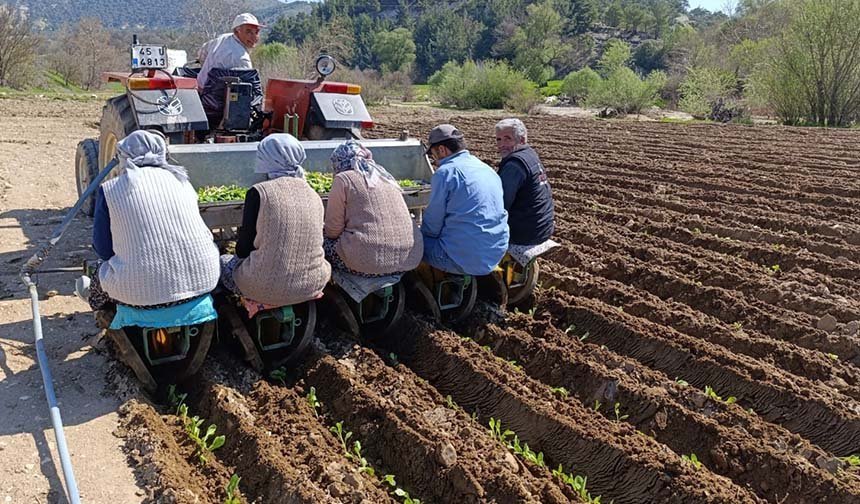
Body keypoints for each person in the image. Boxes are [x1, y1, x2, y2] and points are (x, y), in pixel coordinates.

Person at [84, 130, 220, 329]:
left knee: (98, 277)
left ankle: (107, 317)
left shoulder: (110, 188)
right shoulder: (183, 181)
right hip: (204, 282)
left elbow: (103, 250)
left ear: (123, 156)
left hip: (140, 295)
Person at [219, 134, 331, 309]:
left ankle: (240, 308)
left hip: (261, 286)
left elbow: (243, 249)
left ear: (267, 159)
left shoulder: (259, 192)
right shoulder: (313, 193)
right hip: (312, 284)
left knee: (223, 262)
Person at [323, 140, 423, 277]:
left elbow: (333, 230)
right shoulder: (385, 176)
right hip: (410, 259)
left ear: (338, 161)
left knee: (322, 243)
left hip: (368, 263)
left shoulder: (344, 179)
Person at [421, 124, 509, 276]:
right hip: (495, 252)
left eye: (433, 155)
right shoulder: (486, 168)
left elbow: (432, 226)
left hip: (463, 258)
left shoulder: (445, 173)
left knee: (414, 243)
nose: (434, 160)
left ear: (442, 150)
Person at [494, 118, 555, 248]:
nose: (502, 144)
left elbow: (501, 204)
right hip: (543, 226)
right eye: (498, 139)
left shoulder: (514, 166)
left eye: (507, 138)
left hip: (526, 232)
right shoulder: (529, 154)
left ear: (522, 140)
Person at [196, 13, 263, 91]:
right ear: (237, 32)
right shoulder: (241, 58)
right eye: (248, 32)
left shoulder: (221, 38)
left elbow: (202, 52)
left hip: (199, 92)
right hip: (219, 99)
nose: (254, 37)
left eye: (256, 32)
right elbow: (247, 89)